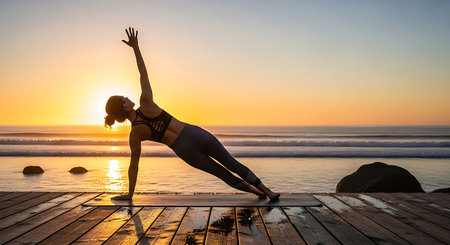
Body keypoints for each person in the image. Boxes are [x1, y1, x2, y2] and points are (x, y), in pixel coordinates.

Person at [105, 27, 280, 201]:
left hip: (185, 150)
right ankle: (267, 192)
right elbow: (143, 73)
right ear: (125, 106)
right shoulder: (146, 102)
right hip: (194, 134)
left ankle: (259, 193)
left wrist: (130, 194)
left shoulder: (135, 133)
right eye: (124, 98)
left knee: (223, 174)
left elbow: (133, 165)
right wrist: (136, 48)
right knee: (232, 164)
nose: (127, 97)